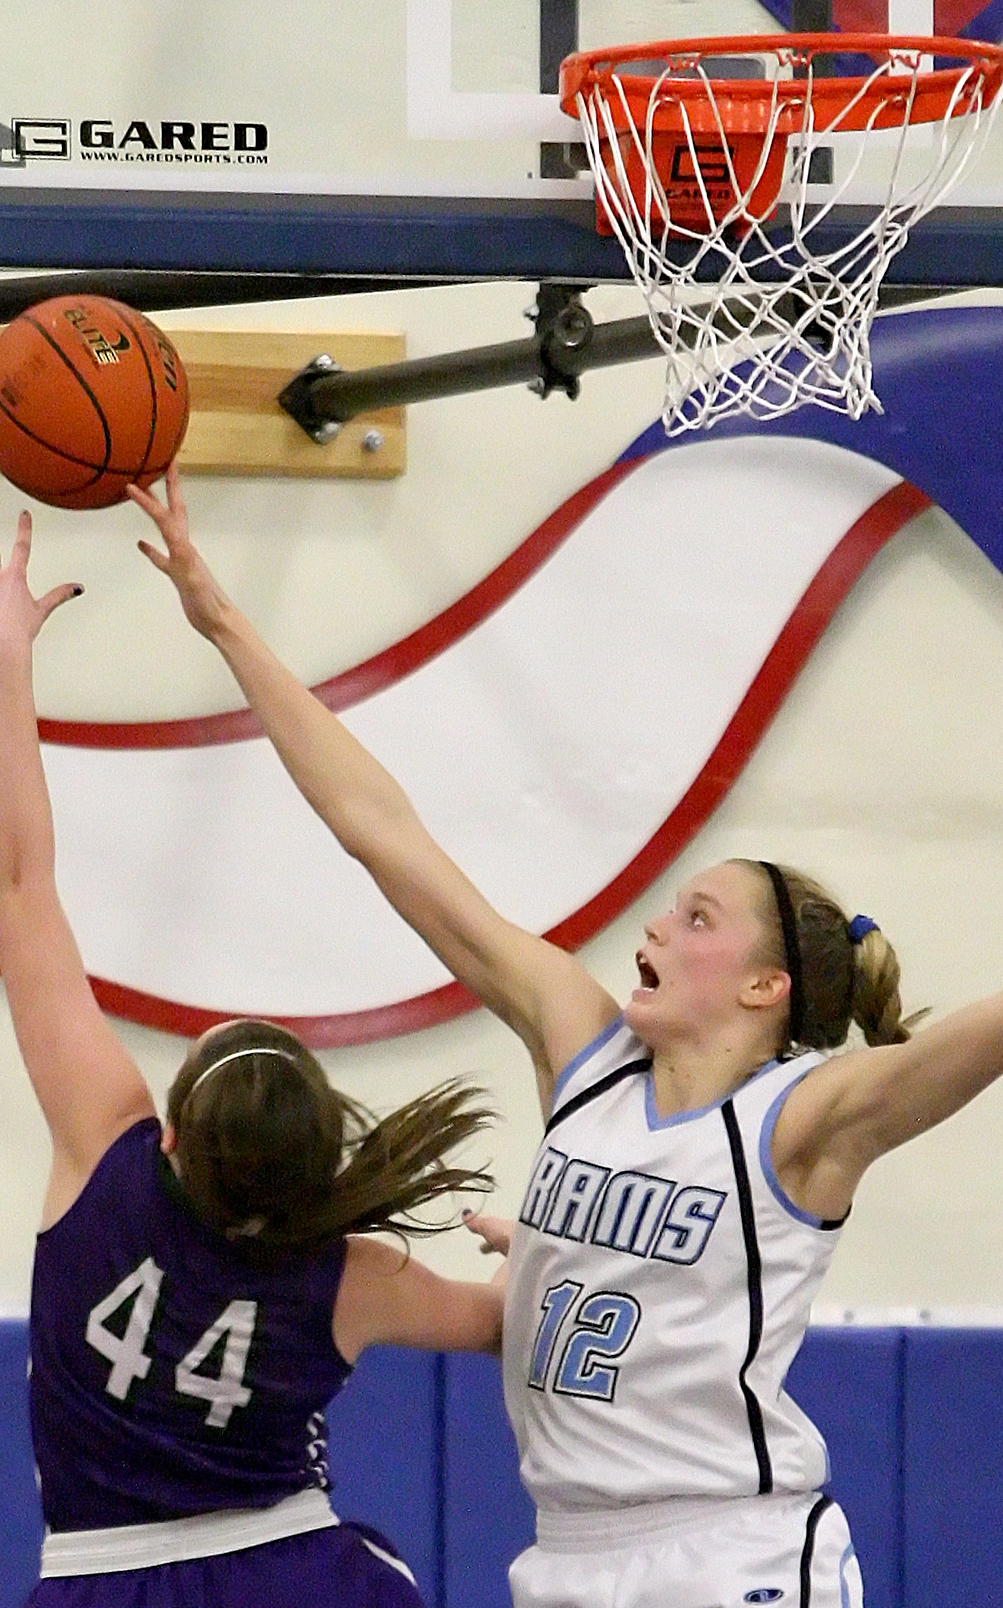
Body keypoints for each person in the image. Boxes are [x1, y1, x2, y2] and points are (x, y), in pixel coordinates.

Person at [127, 462, 1003, 1608]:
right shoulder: (583, 1056)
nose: (656, 924)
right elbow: (383, 834)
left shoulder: (797, 1123)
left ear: (764, 989)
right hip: (568, 1553)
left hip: (732, 1549)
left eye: (698, 917)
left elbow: (971, 1042)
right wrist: (226, 621)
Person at [0, 512, 508, 1608]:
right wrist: (550, 1250)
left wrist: (3, 657)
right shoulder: (355, 1277)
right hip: (300, 1575)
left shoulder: (106, 1147)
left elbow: (17, 881)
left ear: (176, 1133)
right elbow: (508, 1323)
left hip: (98, 1580)